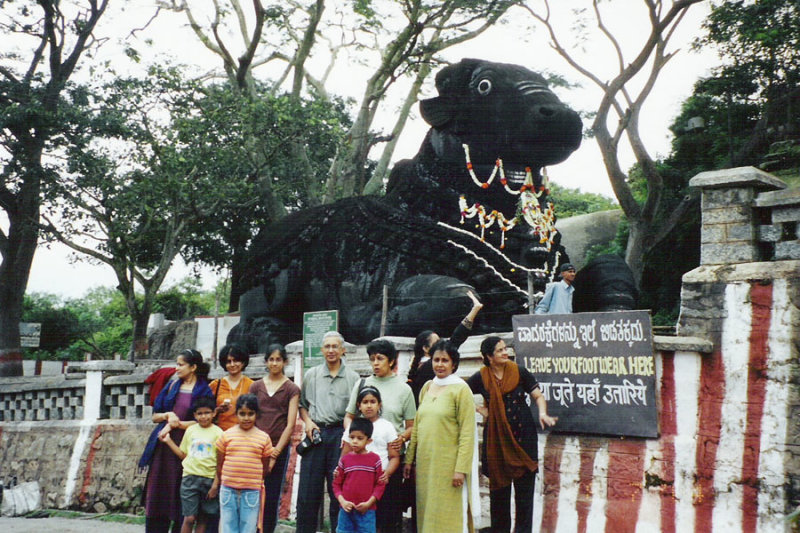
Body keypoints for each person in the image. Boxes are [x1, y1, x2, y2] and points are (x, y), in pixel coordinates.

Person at [467, 337, 557, 533]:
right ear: (489, 357)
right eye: (499, 350)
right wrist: (480, 409)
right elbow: (459, 393)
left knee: (524, 497)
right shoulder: (481, 377)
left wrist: (542, 413)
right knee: (499, 496)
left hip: (524, 439)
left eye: (505, 348)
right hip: (496, 443)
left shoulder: (519, 371)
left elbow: (538, 396)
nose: (505, 352)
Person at [403, 340, 478, 533]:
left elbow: (468, 434)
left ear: (454, 364)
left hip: (449, 467)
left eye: (445, 360)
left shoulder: (461, 390)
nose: (440, 364)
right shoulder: (427, 387)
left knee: (449, 515)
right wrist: (409, 460)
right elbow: (418, 426)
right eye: (436, 359)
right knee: (427, 513)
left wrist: (460, 469)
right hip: (426, 467)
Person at [343, 339, 413, 533]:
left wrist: (402, 438)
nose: (375, 363)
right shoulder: (362, 384)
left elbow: (412, 426)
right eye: (372, 359)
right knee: (362, 514)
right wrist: (353, 437)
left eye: (380, 358)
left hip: (390, 460)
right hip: (361, 461)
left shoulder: (404, 389)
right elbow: (348, 417)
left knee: (388, 515)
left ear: (391, 361)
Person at [140, 349, 214, 533]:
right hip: (163, 446)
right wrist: (167, 415)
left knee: (180, 491)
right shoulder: (172, 385)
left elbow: (204, 420)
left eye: (181, 364)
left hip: (187, 447)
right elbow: (155, 416)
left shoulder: (204, 390)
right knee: (158, 490)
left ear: (193, 367)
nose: (177, 368)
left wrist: (175, 424)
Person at [296, 331, 360, 533]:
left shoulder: (353, 378)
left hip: (341, 437)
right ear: (322, 350)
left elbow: (357, 412)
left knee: (338, 490)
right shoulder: (311, 375)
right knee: (308, 492)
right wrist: (307, 422)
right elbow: (302, 405)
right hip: (316, 434)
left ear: (342, 350)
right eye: (327, 347)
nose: (331, 350)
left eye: (335, 347)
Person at [248, 344, 300, 533]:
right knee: (250, 490)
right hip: (254, 446)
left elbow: (291, 424)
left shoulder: (291, 388)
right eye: (271, 359)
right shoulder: (256, 386)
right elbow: (249, 416)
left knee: (271, 494)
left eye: (278, 359)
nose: (275, 363)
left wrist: (276, 451)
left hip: (279, 446)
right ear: (266, 362)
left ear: (285, 362)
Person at [159, 396, 223, 533]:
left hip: (209, 479)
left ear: (213, 413)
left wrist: (215, 485)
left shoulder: (219, 433)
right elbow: (183, 455)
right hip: (190, 479)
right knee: (189, 518)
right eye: (199, 413)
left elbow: (220, 463)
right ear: (194, 415)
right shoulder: (191, 430)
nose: (203, 417)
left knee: (203, 518)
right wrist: (168, 441)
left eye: (207, 413)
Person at [407, 291, 483, 404]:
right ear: (426, 348)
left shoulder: (421, 368)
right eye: (436, 342)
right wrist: (474, 310)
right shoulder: (427, 368)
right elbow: (457, 337)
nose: (440, 364)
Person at [343, 386, 400, 533]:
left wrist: (386, 474)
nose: (369, 406)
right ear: (358, 406)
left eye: (373, 401)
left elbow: (394, 457)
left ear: (379, 404)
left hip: (379, 483)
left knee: (379, 521)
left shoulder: (387, 427)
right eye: (365, 402)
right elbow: (344, 457)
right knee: (355, 522)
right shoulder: (352, 427)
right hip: (357, 483)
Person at [215, 394, 273, 533]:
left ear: (256, 414)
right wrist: (224, 480)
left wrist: (255, 479)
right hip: (228, 490)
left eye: (250, 414)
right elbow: (219, 463)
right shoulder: (226, 435)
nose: (246, 418)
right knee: (228, 527)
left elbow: (265, 465)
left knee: (248, 527)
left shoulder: (263, 438)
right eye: (242, 414)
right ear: (236, 414)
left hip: (251, 491)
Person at [333, 418, 386, 533]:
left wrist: (369, 503)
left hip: (367, 511)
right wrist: (342, 501)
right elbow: (336, 484)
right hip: (346, 511)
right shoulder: (345, 460)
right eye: (352, 437)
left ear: (369, 441)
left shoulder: (375, 460)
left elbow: (380, 485)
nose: (355, 441)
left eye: (360, 438)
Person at [209, 344, 254, 431]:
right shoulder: (215, 385)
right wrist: (217, 410)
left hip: (245, 434)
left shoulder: (252, 385)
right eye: (228, 361)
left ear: (243, 362)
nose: (232, 364)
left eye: (236, 360)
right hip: (221, 433)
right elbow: (205, 411)